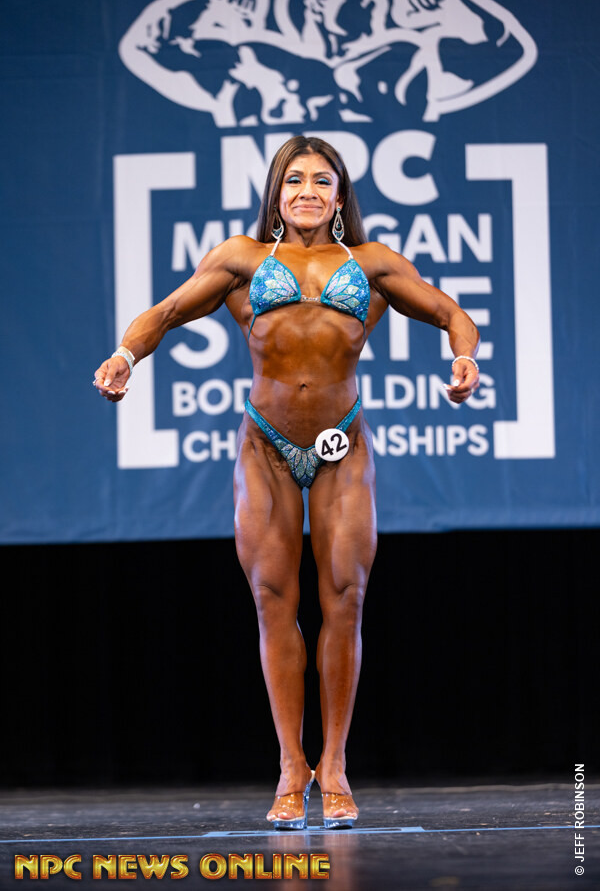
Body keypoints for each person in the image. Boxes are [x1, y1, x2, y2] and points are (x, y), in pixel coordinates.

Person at [94, 136, 480, 829]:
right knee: (274, 600)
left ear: (340, 194)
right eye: (294, 179)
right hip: (265, 449)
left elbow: (452, 313)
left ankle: (334, 766)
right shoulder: (242, 259)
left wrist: (463, 358)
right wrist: (126, 354)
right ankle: (290, 767)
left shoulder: (371, 263)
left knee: (345, 598)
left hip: (342, 447)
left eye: (321, 180)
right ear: (276, 192)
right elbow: (167, 312)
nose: (307, 190)